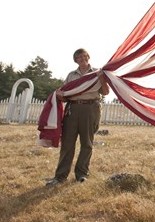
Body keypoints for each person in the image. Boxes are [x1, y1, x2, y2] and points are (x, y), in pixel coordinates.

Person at [46, 48, 109, 186]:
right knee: (67, 144)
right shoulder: (71, 75)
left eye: (83, 56)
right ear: (76, 60)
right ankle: (60, 176)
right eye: (78, 57)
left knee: (87, 143)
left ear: (88, 57)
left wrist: (101, 78)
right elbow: (65, 94)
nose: (82, 59)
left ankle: (81, 174)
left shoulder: (97, 73)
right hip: (73, 109)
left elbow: (105, 92)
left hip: (90, 108)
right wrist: (59, 95)